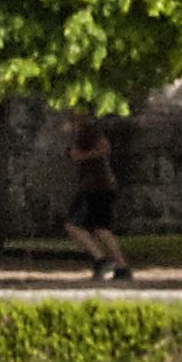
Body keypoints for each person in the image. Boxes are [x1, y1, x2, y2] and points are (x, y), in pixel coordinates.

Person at [63, 110, 132, 285]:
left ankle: (101, 260)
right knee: (102, 229)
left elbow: (104, 148)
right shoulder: (84, 132)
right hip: (101, 186)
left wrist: (80, 156)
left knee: (73, 225)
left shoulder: (88, 132)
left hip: (94, 187)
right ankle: (122, 268)